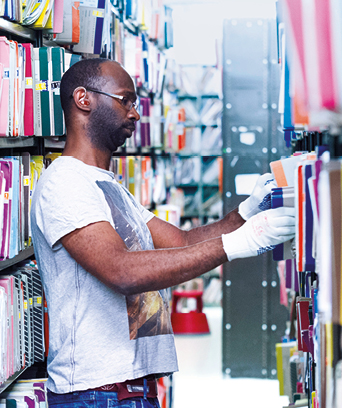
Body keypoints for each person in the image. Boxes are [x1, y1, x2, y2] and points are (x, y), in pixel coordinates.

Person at [30, 58, 295, 408]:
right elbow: (121, 271)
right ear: (83, 99)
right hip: (99, 393)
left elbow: (182, 242)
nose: (136, 114)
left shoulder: (109, 186)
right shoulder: (65, 183)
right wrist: (238, 244)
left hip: (130, 388)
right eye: (125, 100)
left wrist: (246, 212)